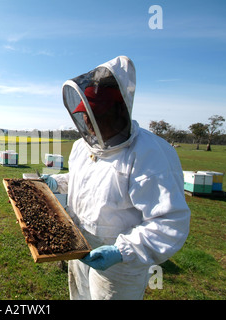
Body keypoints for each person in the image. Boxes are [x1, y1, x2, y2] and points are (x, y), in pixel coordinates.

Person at [42, 56, 190, 300]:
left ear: (119, 110)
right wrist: (58, 182)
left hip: (121, 263)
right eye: (85, 113)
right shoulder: (82, 147)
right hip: (78, 244)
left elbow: (169, 222)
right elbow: (87, 179)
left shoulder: (151, 154)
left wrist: (122, 251)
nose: (88, 121)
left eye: (95, 113)